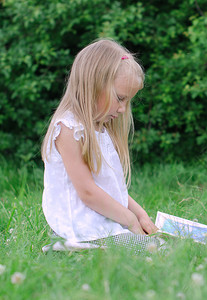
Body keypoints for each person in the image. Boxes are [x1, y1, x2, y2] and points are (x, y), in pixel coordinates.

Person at [41, 38, 161, 254]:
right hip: (82, 228)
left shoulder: (100, 129)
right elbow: (88, 192)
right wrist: (130, 220)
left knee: (161, 243)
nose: (123, 109)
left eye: (128, 101)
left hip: (101, 224)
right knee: (156, 250)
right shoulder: (69, 128)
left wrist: (140, 214)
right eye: (120, 98)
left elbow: (108, 189)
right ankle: (68, 246)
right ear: (93, 85)